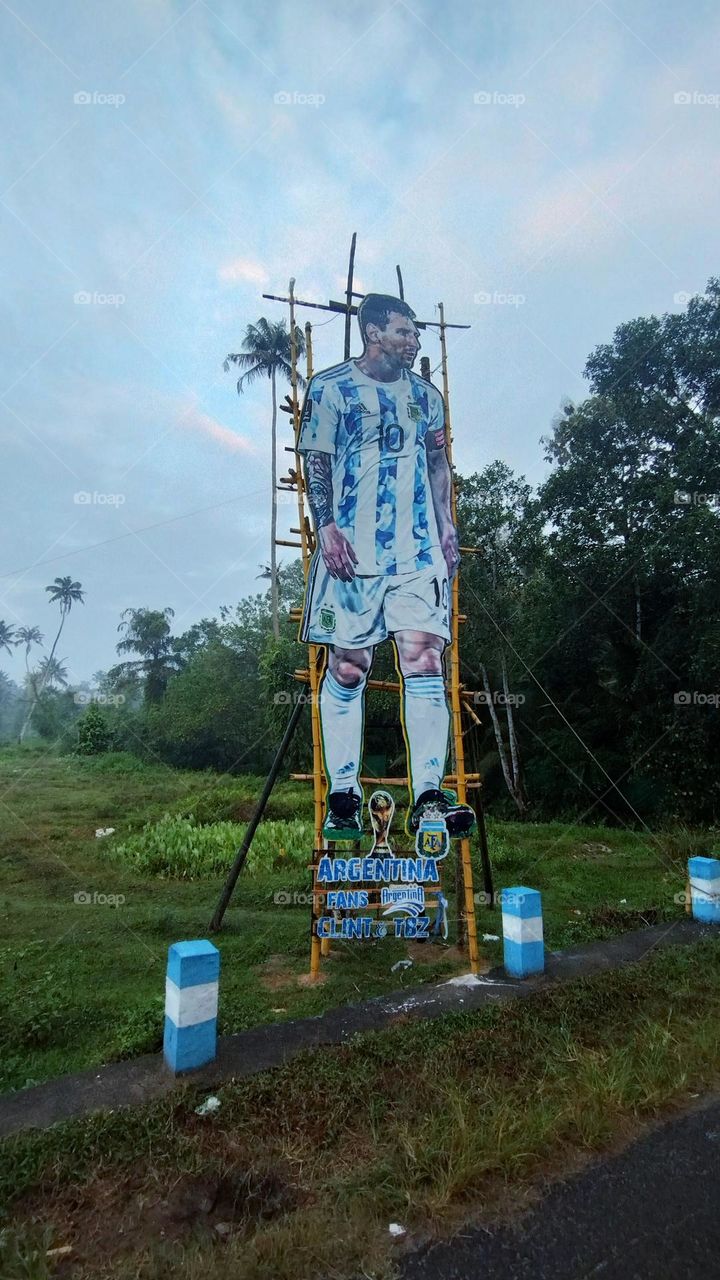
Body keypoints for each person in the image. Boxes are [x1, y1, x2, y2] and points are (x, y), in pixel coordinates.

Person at [297, 292, 475, 842]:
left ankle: (427, 797)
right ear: (373, 333)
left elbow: (438, 461)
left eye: (416, 332)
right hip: (353, 554)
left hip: (417, 552)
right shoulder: (328, 388)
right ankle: (345, 796)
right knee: (349, 667)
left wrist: (446, 524)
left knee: (424, 661)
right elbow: (317, 462)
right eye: (404, 331)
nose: (414, 340)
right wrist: (325, 526)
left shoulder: (426, 396)